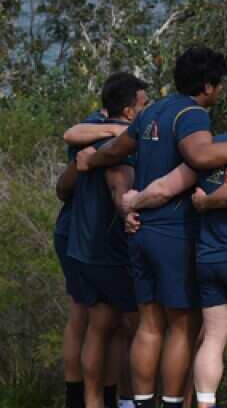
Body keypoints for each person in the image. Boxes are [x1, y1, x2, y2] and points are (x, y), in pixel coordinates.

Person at [82, 48, 227, 408]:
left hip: (142, 231)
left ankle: (141, 402)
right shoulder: (192, 114)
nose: (220, 91)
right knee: (183, 326)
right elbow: (201, 157)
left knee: (149, 325)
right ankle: (170, 402)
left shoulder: (152, 110)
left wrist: (92, 159)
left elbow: (116, 150)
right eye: (219, 85)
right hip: (175, 231)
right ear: (208, 85)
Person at [124, 89, 227, 408]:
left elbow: (168, 186)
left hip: (206, 256)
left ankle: (205, 403)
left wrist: (133, 203)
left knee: (212, 337)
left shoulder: (212, 147)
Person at [61, 74, 150, 408]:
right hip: (111, 250)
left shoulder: (89, 134)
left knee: (100, 325)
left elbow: (63, 186)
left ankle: (94, 400)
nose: (147, 109)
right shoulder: (123, 145)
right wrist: (127, 209)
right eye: (143, 104)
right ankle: (133, 400)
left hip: (83, 246)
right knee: (141, 327)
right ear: (129, 111)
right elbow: (119, 182)